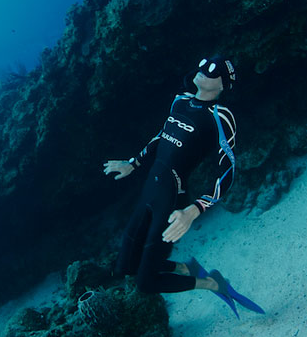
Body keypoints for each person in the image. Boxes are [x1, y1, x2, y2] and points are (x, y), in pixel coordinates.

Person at [103, 56, 264, 317]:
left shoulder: (220, 116)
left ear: (224, 85)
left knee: (146, 283)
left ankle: (213, 283)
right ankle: (185, 268)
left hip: (172, 200)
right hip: (149, 191)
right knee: (125, 266)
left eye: (212, 71)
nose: (203, 71)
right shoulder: (180, 100)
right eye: (202, 65)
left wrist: (194, 210)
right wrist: (132, 163)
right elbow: (161, 136)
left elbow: (228, 171)